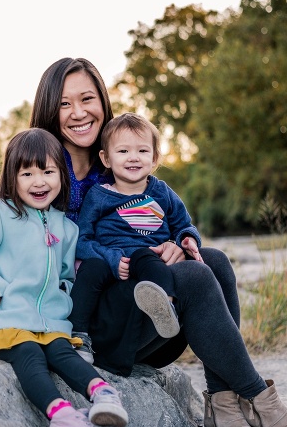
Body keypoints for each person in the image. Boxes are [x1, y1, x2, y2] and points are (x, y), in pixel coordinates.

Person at [0, 57, 287, 427]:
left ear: (103, 101)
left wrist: (177, 245)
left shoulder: (122, 161)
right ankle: (259, 400)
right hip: (86, 324)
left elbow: (165, 219)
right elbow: (2, 244)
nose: (79, 112)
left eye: (87, 98)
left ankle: (224, 404)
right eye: (65, 104)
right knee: (197, 278)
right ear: (49, 109)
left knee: (212, 260)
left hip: (147, 314)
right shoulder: (41, 173)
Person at [0, 127, 128, 427]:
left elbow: (66, 276)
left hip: (49, 323)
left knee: (63, 351)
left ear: (61, 176)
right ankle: (60, 416)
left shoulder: (65, 226)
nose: (39, 182)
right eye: (27, 173)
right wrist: (2, 295)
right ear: (11, 177)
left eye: (48, 171)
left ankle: (103, 394)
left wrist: (61, 300)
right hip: (6, 320)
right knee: (28, 352)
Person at [70, 112, 204, 364]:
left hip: (148, 258)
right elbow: (82, 240)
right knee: (90, 270)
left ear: (154, 158)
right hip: (111, 262)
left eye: (142, 151)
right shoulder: (99, 196)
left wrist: (186, 240)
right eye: (123, 152)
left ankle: (166, 305)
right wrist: (111, 258)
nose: (133, 157)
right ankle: (78, 335)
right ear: (106, 158)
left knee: (147, 256)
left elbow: (184, 225)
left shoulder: (161, 192)